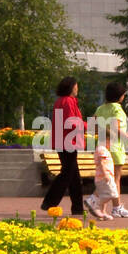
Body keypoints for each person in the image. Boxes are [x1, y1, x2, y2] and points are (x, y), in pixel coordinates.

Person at [40, 76, 86, 217]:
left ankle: (77, 208)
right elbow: (71, 122)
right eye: (76, 86)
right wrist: (87, 125)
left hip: (63, 141)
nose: (77, 88)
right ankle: (49, 202)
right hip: (68, 142)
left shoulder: (61, 101)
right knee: (67, 174)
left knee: (73, 176)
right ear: (71, 87)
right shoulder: (68, 102)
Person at [88, 83, 128, 220]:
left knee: (107, 178)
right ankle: (112, 206)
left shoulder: (100, 108)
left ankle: (113, 208)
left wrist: (104, 131)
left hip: (102, 147)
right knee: (115, 179)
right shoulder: (118, 110)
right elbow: (117, 128)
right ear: (120, 96)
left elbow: (92, 126)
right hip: (115, 148)